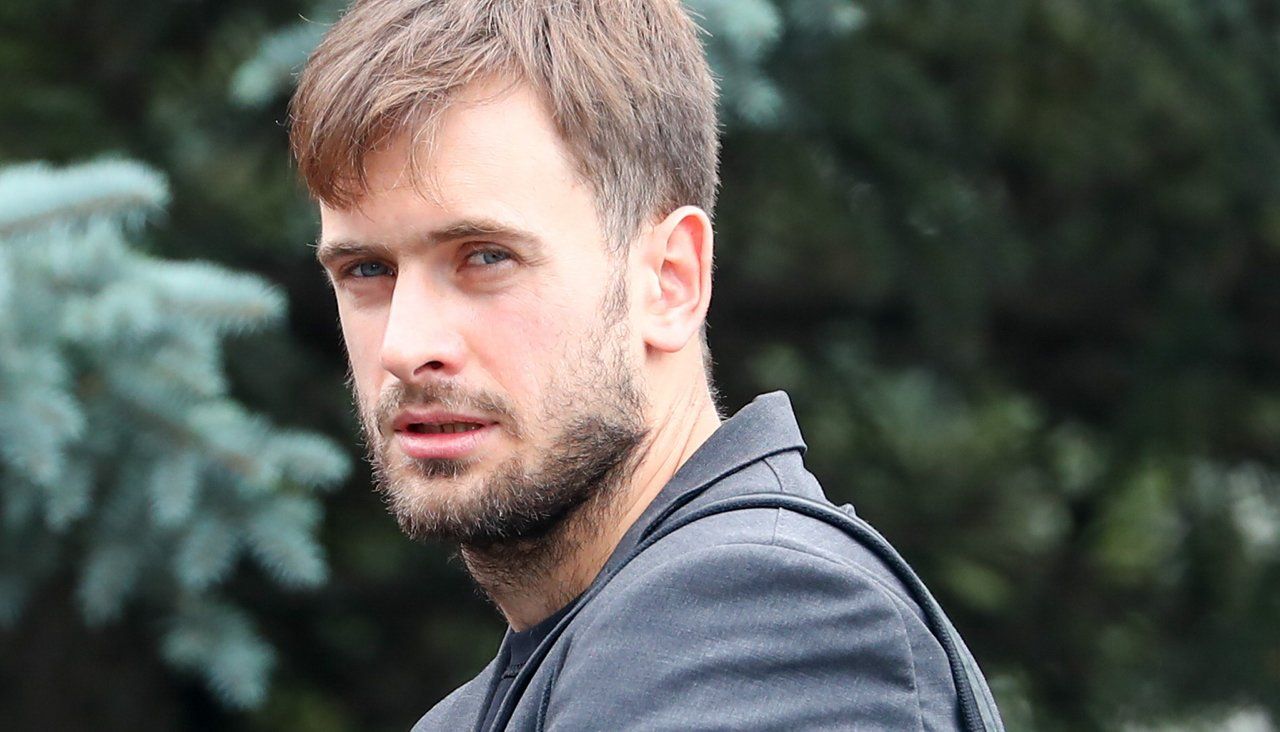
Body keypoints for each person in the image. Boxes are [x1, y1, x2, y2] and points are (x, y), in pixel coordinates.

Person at [289, 0, 1003, 729]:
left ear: (669, 281)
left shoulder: (767, 622)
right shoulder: (489, 706)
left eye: (485, 257)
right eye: (367, 270)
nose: (406, 346)